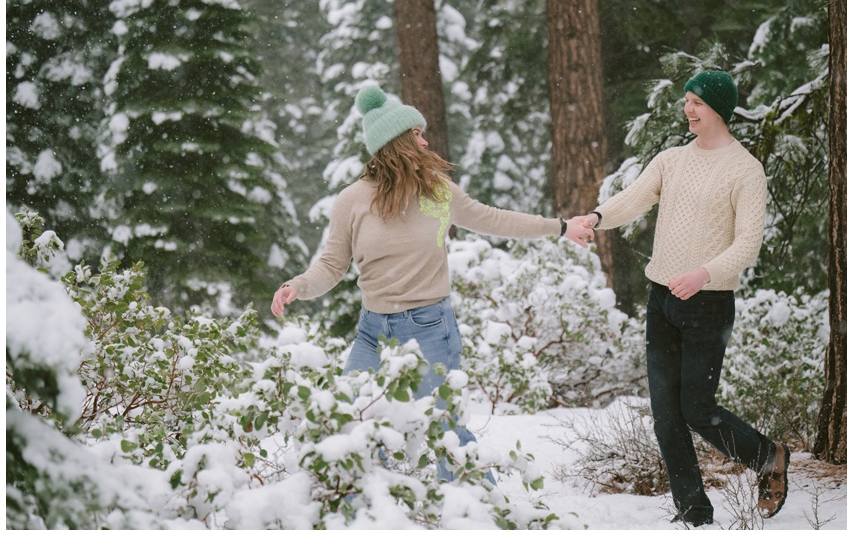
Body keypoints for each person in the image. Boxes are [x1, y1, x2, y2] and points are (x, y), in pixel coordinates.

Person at [271, 85, 593, 483]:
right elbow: (333, 264)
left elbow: (493, 219)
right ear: (397, 143)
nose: (426, 141)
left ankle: (480, 511)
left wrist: (560, 227)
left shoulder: (437, 191)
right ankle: (369, 508)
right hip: (373, 331)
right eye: (417, 134)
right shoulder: (352, 200)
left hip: (429, 328)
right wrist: (298, 286)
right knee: (353, 419)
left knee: (445, 429)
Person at [575, 70, 789, 526]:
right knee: (665, 416)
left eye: (696, 102)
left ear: (719, 110)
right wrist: (595, 217)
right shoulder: (671, 160)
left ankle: (769, 457)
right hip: (662, 301)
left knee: (697, 409)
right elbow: (632, 199)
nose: (687, 109)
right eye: (686, 100)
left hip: (708, 304)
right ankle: (693, 511)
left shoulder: (745, 170)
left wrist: (703, 274)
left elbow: (748, 243)